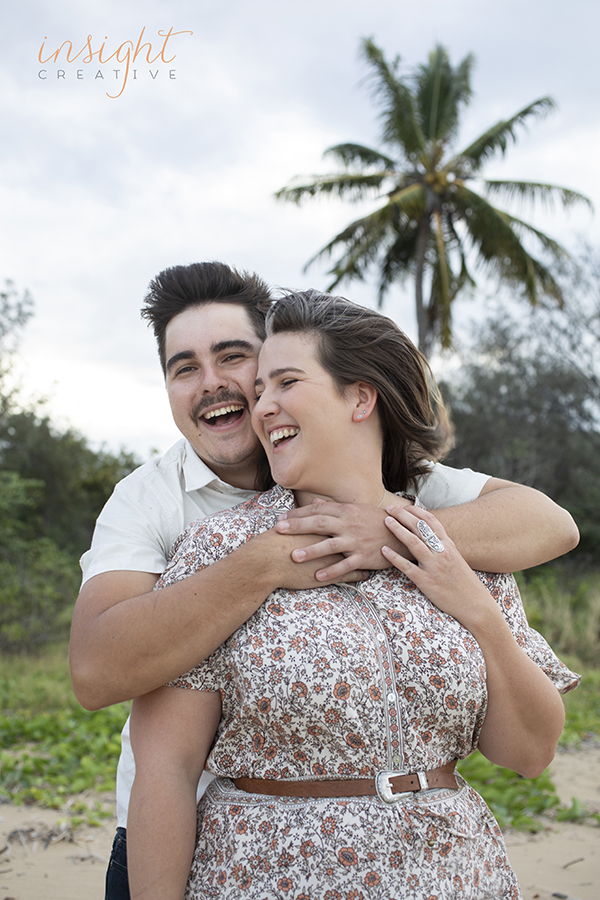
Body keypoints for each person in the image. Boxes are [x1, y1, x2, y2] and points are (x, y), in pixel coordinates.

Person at [68, 263, 578, 899]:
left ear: (359, 398)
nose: (245, 397)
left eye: (255, 370)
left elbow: (550, 528)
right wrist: (261, 565)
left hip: (451, 871)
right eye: (184, 368)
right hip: (238, 856)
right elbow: (106, 685)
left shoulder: (440, 521)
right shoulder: (175, 520)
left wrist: (428, 564)